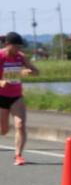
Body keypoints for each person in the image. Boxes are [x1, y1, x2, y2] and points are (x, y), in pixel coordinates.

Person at [0, 32, 36, 165]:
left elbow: (36, 71)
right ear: (7, 45)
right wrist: (1, 82)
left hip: (16, 96)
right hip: (1, 96)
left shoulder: (21, 57)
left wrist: (31, 71)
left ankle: (18, 155)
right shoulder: (0, 56)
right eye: (15, 47)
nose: (17, 50)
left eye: (19, 47)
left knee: (20, 125)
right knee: (3, 131)